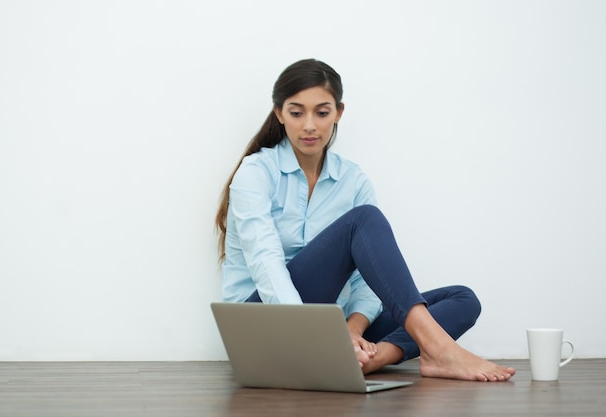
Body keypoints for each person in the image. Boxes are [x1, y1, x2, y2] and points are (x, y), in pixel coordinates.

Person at [215, 58, 515, 382]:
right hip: (264, 326)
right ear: (279, 113)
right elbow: (265, 260)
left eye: (322, 112)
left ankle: (371, 358)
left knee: (462, 299)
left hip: (329, 328)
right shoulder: (256, 173)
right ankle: (436, 348)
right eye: (297, 112)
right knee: (363, 220)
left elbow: (370, 278)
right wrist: (308, 335)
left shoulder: (353, 181)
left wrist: (351, 328)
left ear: (339, 113)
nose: (310, 125)